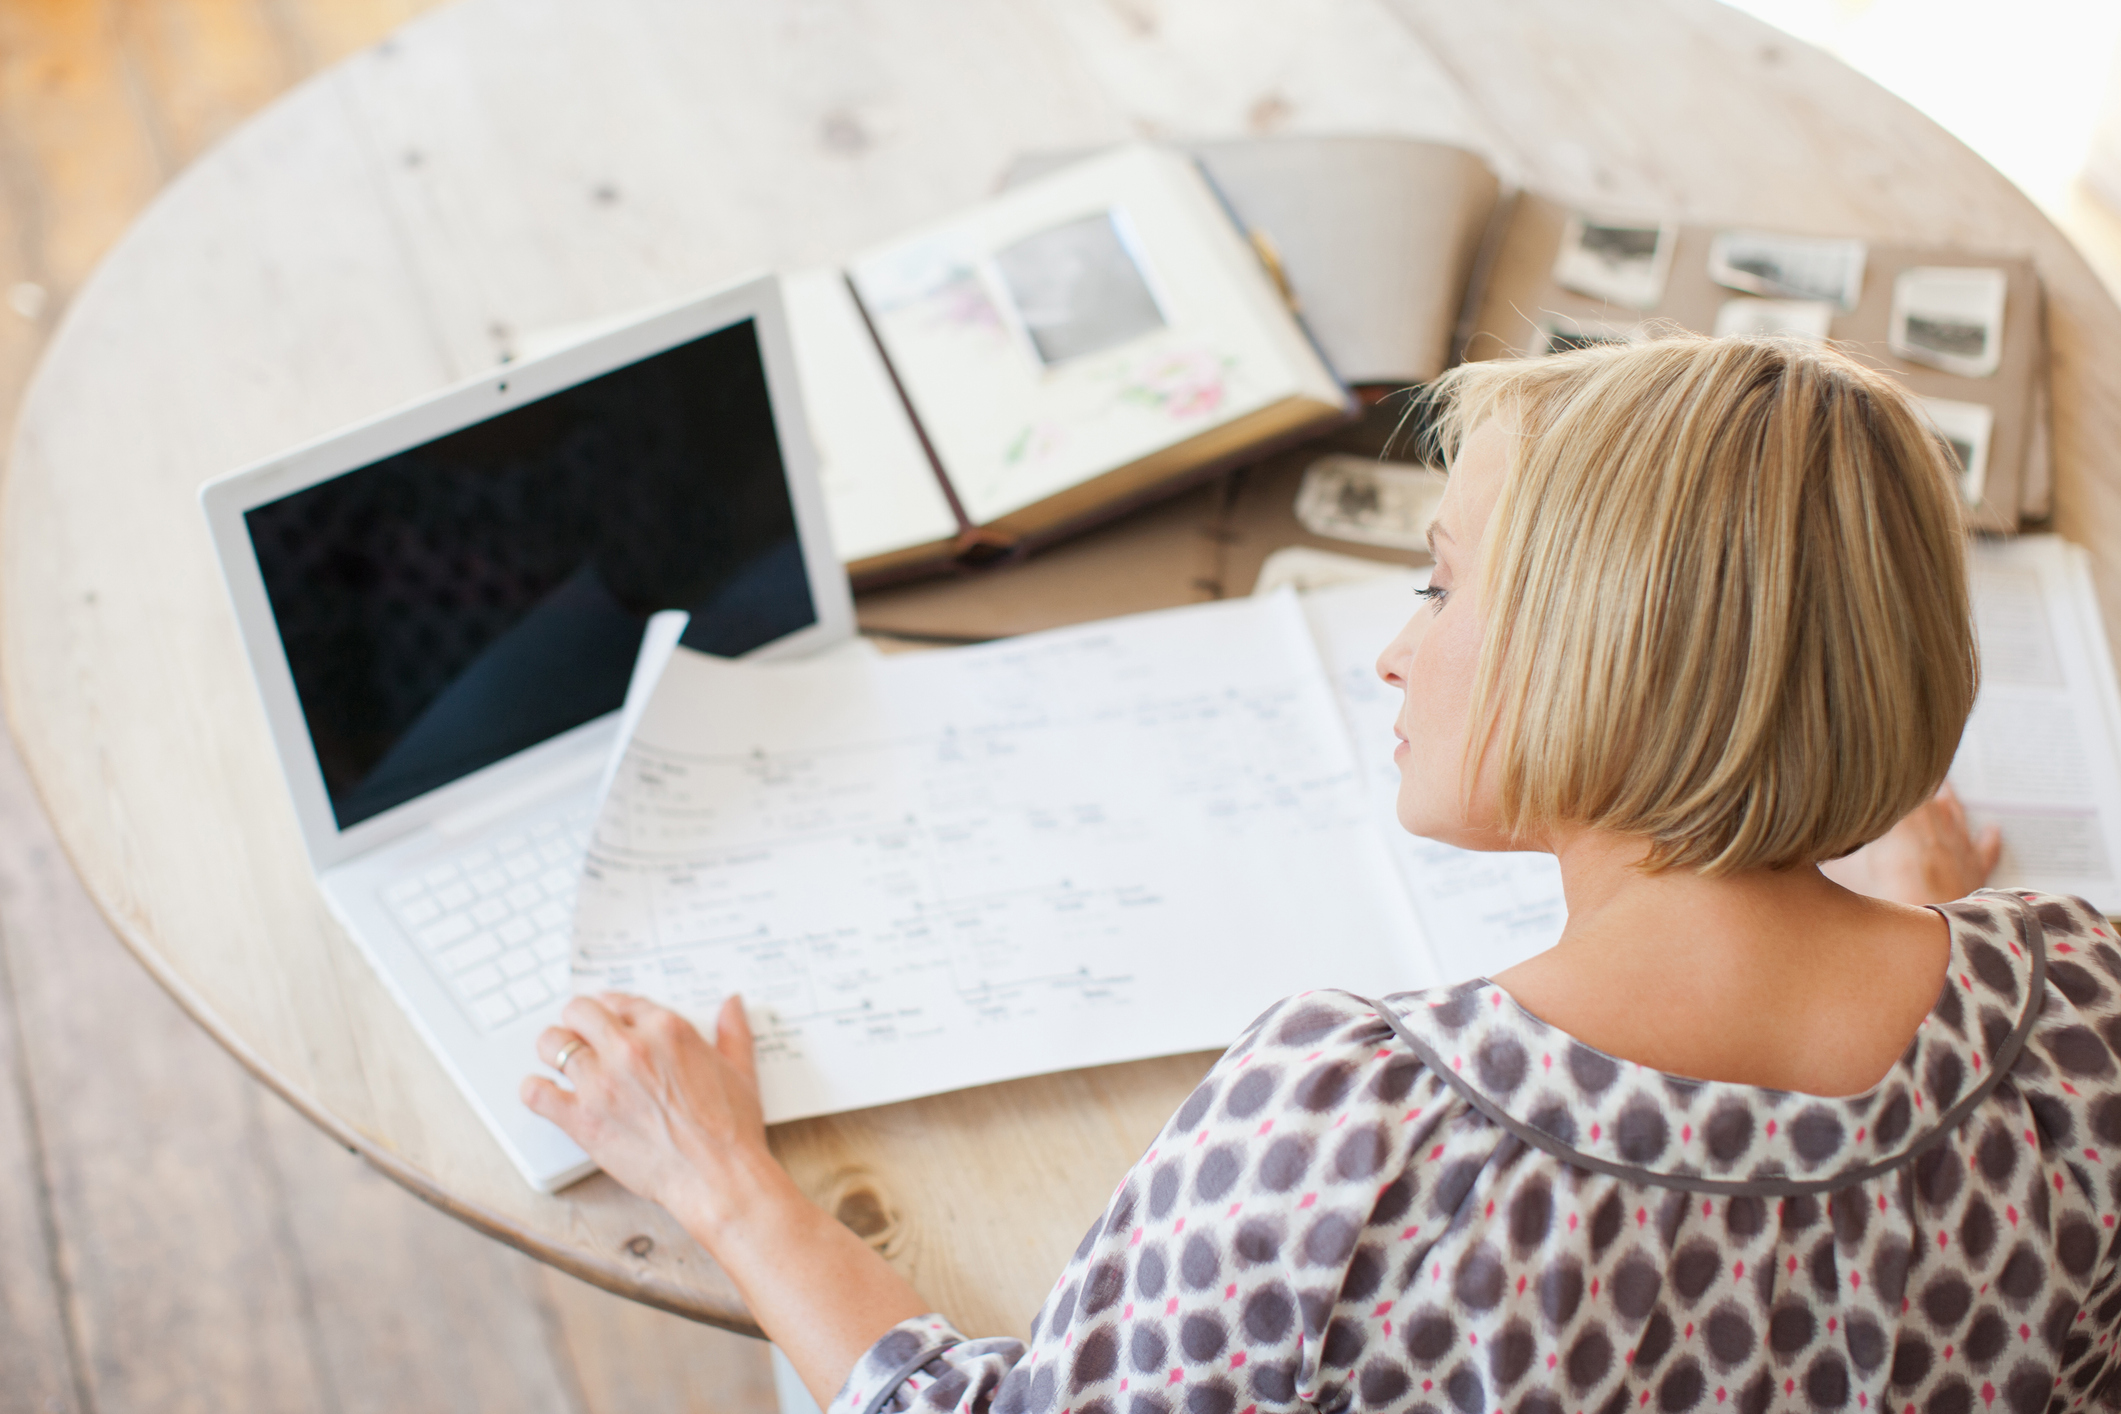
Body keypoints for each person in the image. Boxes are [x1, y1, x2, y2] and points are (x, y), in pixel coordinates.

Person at [524, 334, 2121, 1414]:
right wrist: (1936, 916)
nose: (1392, 653)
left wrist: (721, 1179)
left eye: (1439, 587)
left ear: (1597, 657)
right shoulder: (2078, 1007)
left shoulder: (1354, 1132)